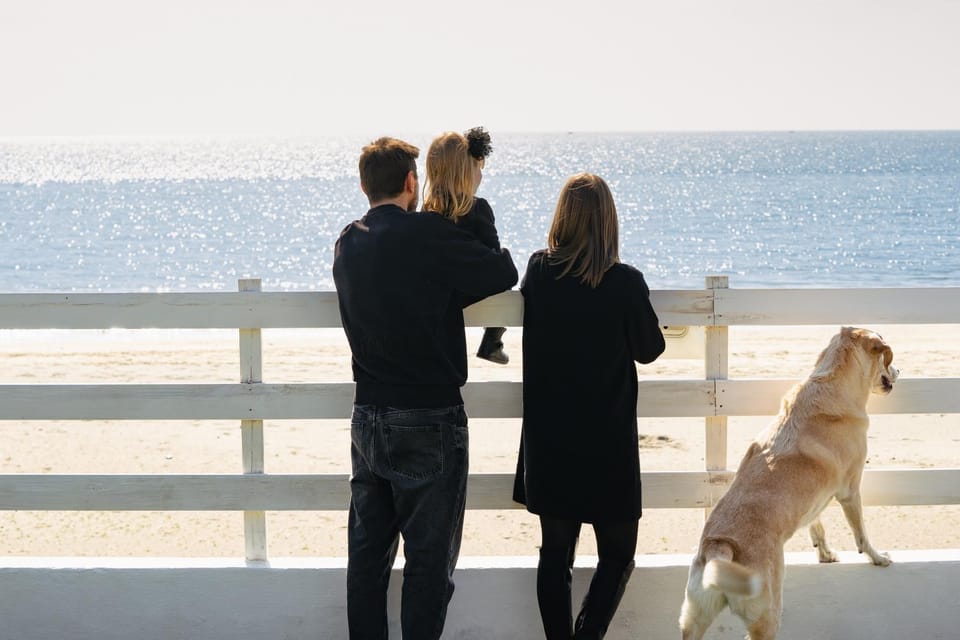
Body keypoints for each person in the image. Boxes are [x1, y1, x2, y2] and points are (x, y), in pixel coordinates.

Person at [333, 136, 518, 639]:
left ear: (364, 184)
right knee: (428, 567)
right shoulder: (426, 236)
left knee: (367, 562)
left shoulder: (347, 241)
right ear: (412, 182)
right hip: (428, 417)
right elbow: (501, 271)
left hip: (367, 415)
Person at [512, 173, 666, 639]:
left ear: (563, 218)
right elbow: (649, 348)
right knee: (617, 554)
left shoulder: (539, 271)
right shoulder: (624, 282)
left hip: (550, 440)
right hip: (607, 442)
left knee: (554, 554)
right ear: (608, 223)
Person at [422, 126, 509, 364]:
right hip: (471, 286)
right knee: (500, 272)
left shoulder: (426, 213)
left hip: (440, 294)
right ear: (467, 172)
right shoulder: (477, 208)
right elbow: (494, 260)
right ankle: (493, 338)